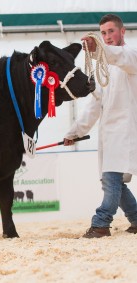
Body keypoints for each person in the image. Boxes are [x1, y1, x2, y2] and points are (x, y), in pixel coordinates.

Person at [64, 14, 137, 238]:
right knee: (115, 183)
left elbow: (119, 56)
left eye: (110, 31)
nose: (107, 36)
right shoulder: (103, 69)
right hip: (109, 136)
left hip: (126, 133)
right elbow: (94, 106)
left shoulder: (131, 57)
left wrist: (97, 50)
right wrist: (75, 132)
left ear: (122, 31)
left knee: (111, 180)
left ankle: (101, 223)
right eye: (103, 33)